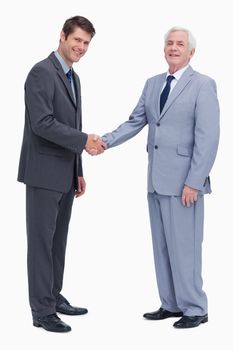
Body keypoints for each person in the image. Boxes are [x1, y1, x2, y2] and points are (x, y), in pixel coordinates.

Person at [100, 27, 220, 328]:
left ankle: (195, 308)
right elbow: (135, 121)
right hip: (155, 179)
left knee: (186, 246)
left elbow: (208, 138)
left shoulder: (203, 85)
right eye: (169, 43)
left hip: (184, 185)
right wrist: (104, 141)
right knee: (162, 245)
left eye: (180, 44)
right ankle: (170, 304)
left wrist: (195, 181)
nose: (174, 47)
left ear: (191, 52)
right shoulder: (153, 84)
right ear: (164, 49)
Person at [17, 15, 106, 333]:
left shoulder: (73, 78)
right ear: (62, 36)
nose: (81, 47)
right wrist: (85, 142)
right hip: (42, 173)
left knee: (58, 242)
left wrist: (78, 169)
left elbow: (72, 126)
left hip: (65, 174)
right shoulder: (41, 72)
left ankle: (52, 297)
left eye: (86, 42)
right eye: (77, 39)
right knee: (41, 243)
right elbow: (42, 124)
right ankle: (41, 310)